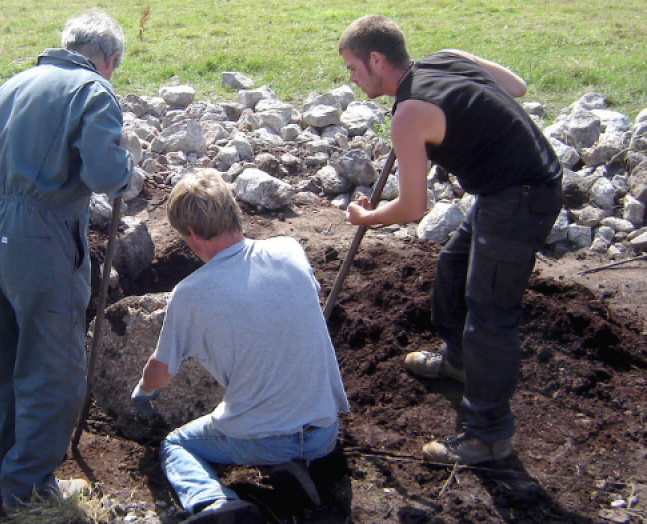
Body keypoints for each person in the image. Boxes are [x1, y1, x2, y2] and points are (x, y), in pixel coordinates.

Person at [337, 15, 563, 465]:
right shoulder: (446, 59)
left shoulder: (410, 112)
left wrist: (367, 215)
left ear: (377, 60)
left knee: (491, 314)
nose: (351, 77)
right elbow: (515, 87)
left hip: (520, 198)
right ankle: (459, 362)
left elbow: (412, 207)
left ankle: (487, 433)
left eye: (353, 68)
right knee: (452, 266)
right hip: (508, 186)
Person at [0, 9, 134, 511]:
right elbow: (106, 173)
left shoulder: (16, 82)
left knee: (7, 351)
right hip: (38, 234)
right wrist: (130, 167)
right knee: (53, 365)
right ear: (108, 58)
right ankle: (30, 490)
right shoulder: (92, 91)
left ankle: (8, 463)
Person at [131, 169, 350, 523]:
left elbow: (161, 369)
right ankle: (292, 470)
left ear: (189, 233)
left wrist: (143, 393)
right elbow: (309, 298)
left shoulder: (190, 293)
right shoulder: (289, 249)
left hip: (262, 436)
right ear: (234, 210)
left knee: (176, 446)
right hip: (324, 432)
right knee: (275, 422)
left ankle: (214, 504)